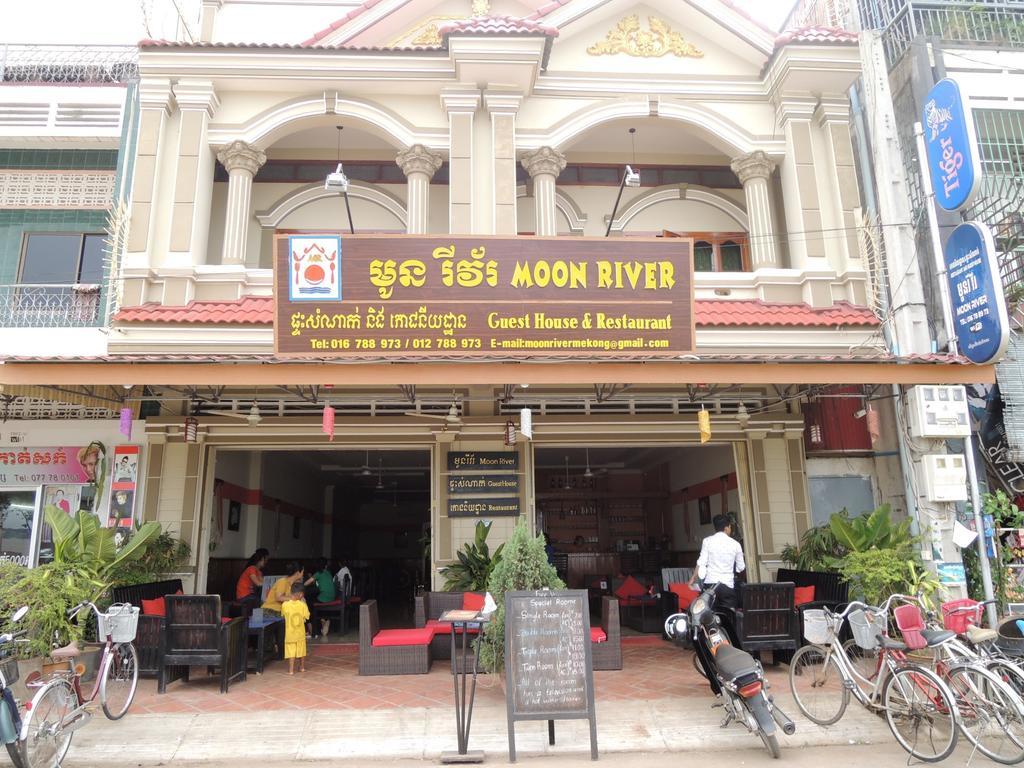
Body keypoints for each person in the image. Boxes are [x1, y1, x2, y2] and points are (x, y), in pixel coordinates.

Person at [688, 514, 745, 612]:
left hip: (710, 586)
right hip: (727, 586)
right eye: (730, 527)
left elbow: (701, 562)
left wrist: (693, 578)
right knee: (729, 616)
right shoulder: (736, 544)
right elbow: (741, 567)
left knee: (708, 614)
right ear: (727, 528)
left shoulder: (707, 541)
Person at [281, 583, 309, 675]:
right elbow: (307, 617)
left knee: (291, 651)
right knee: (301, 650)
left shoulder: (285, 605)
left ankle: (291, 670)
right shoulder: (302, 605)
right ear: (301, 594)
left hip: (290, 634)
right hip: (300, 633)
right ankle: (302, 667)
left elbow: (283, 615)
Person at [311, 559, 336, 638]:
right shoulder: (329, 573)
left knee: (313, 603)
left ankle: (320, 623)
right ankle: (327, 620)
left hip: (323, 598)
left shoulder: (318, 573)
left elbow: (306, 583)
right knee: (321, 601)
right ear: (325, 566)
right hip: (332, 597)